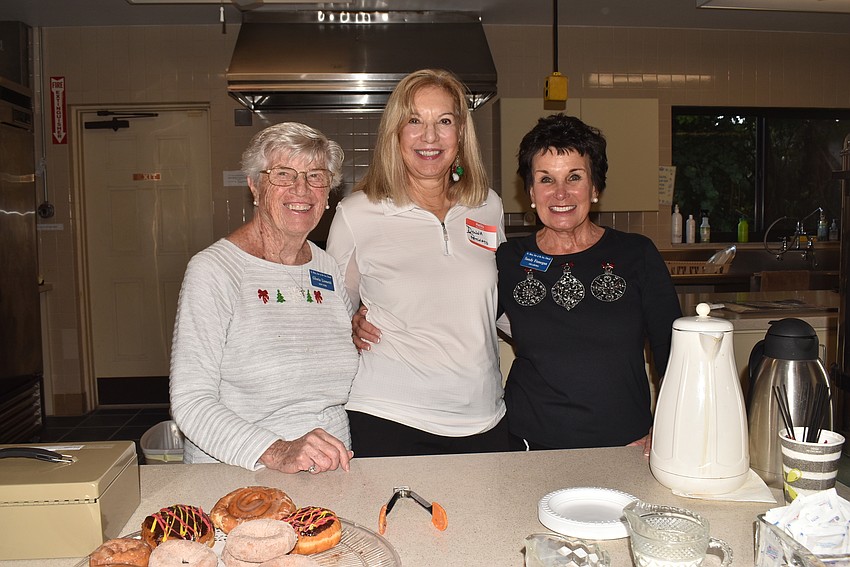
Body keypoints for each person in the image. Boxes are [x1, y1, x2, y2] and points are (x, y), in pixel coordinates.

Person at [326, 68, 510, 457]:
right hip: (389, 417)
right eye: (415, 121)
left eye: (444, 121)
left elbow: (499, 301)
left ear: (461, 135)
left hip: (485, 416)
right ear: (395, 134)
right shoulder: (356, 213)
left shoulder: (488, 206)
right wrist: (352, 323)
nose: (430, 136)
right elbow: (330, 316)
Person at [170, 122, 359, 473]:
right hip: (239, 476)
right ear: (255, 186)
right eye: (283, 175)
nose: (301, 189)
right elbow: (191, 402)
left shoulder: (328, 268)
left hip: (332, 473)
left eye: (316, 176)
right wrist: (278, 451)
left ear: (328, 192)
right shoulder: (215, 270)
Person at [496, 113, 682, 452]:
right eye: (546, 179)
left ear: (594, 188)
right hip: (528, 444)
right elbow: (460, 316)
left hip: (625, 444)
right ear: (530, 192)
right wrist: (367, 313)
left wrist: (670, 428)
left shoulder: (636, 254)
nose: (560, 193)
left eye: (574, 177)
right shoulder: (508, 259)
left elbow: (673, 350)